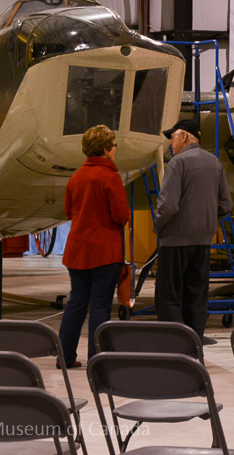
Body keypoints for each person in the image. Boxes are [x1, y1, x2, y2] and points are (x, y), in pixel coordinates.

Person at [154, 119, 232, 341]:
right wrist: (207, 223)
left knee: (168, 295)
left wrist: (158, 226)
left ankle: (174, 342)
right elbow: (226, 205)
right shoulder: (215, 163)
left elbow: (168, 205)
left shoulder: (177, 163)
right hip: (203, 241)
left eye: (172, 138)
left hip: (175, 241)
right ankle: (194, 342)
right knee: (196, 295)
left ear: (184, 137)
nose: (171, 143)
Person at [59, 125, 130, 368]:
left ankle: (65, 356)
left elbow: (68, 211)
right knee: (100, 305)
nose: (115, 149)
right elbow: (121, 215)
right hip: (104, 252)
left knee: (76, 303)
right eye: (114, 145)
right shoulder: (110, 177)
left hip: (77, 251)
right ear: (106, 149)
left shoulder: (76, 177)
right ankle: (96, 359)